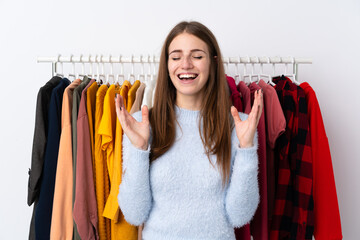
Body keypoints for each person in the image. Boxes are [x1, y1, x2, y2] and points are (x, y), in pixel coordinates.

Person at [115, 21, 263, 240]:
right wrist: (139, 149)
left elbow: (239, 216)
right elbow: (135, 215)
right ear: (167, 65)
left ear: (213, 62)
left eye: (197, 56)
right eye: (175, 57)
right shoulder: (143, 125)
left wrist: (246, 148)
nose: (185, 64)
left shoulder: (239, 126)